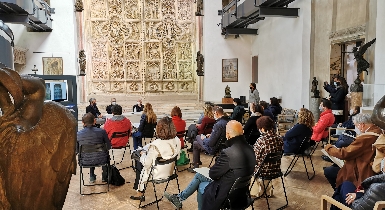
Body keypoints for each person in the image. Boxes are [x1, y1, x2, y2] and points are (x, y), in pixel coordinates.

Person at [164, 120, 256, 210]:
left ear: (227, 134)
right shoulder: (251, 149)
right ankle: (179, 198)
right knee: (199, 175)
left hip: (228, 195)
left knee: (201, 185)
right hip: (242, 193)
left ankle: (182, 199)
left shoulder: (229, 153)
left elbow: (213, 174)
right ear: (242, 132)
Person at [323, 113, 383, 190]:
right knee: (334, 166)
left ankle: (340, 193)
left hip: (362, 169)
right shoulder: (377, 130)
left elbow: (344, 154)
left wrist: (328, 148)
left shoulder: (366, 138)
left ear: (362, 125)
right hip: (364, 164)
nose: (356, 128)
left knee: (329, 171)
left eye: (356, 125)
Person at [130, 117, 181, 201]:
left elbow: (147, 163)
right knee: (142, 157)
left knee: (138, 159)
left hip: (156, 174)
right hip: (171, 171)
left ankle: (140, 191)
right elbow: (177, 157)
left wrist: (142, 154)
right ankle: (139, 189)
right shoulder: (177, 140)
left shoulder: (156, 145)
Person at [250, 116, 284, 197]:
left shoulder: (261, 140)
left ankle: (256, 191)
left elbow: (255, 158)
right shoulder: (279, 138)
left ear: (262, 128)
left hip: (263, 171)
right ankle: (267, 190)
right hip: (276, 169)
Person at [189, 106, 229, 172]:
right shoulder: (227, 121)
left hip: (214, 148)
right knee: (195, 143)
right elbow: (221, 134)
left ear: (216, 113)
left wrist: (204, 139)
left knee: (197, 137)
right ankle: (196, 164)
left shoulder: (218, 124)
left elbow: (211, 143)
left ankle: (196, 165)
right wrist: (212, 135)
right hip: (223, 146)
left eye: (213, 113)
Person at [76, 113, 110, 183]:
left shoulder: (78, 134)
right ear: (95, 121)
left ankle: (91, 176)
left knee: (90, 153)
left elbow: (77, 150)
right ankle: (105, 176)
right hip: (102, 160)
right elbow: (108, 147)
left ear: (83, 122)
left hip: (85, 161)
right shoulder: (102, 132)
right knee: (99, 153)